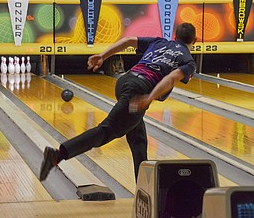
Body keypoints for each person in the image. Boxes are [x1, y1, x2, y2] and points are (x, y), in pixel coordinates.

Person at [39, 22, 197, 182]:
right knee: (105, 131)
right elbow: (170, 79)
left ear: (174, 36)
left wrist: (102, 56)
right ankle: (58, 154)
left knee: (138, 139)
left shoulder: (160, 42)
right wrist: (149, 97)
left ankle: (144, 186)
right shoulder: (188, 61)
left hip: (125, 81)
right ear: (195, 40)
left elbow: (128, 40)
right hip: (139, 90)